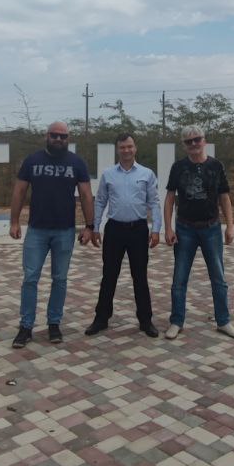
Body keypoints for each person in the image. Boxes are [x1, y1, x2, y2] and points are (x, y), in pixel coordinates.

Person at [9, 121, 95, 348]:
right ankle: (26, 327)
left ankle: (54, 324)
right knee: (30, 278)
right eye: (55, 135)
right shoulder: (32, 161)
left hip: (64, 231)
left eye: (63, 136)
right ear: (46, 136)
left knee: (60, 279)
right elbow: (19, 191)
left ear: (68, 139)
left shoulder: (77, 163)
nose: (59, 139)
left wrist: (89, 226)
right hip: (36, 230)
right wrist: (14, 221)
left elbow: (86, 195)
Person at [163, 124, 234, 340]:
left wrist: (230, 226)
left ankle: (223, 321)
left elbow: (224, 197)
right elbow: (170, 198)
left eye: (197, 139)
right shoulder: (178, 167)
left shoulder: (216, 166)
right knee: (179, 279)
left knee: (218, 278)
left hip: (211, 229)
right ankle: (176, 321)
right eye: (188, 141)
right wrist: (168, 228)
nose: (194, 144)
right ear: (184, 145)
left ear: (204, 141)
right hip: (184, 229)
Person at [85, 133, 162, 338]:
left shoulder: (147, 174)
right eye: (122, 147)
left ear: (135, 148)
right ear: (117, 149)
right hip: (114, 230)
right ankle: (101, 318)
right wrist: (95, 227)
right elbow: (100, 201)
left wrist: (156, 229)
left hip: (138, 230)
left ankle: (145, 320)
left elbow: (154, 202)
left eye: (129, 146)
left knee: (140, 276)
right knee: (109, 275)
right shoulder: (108, 174)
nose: (126, 150)